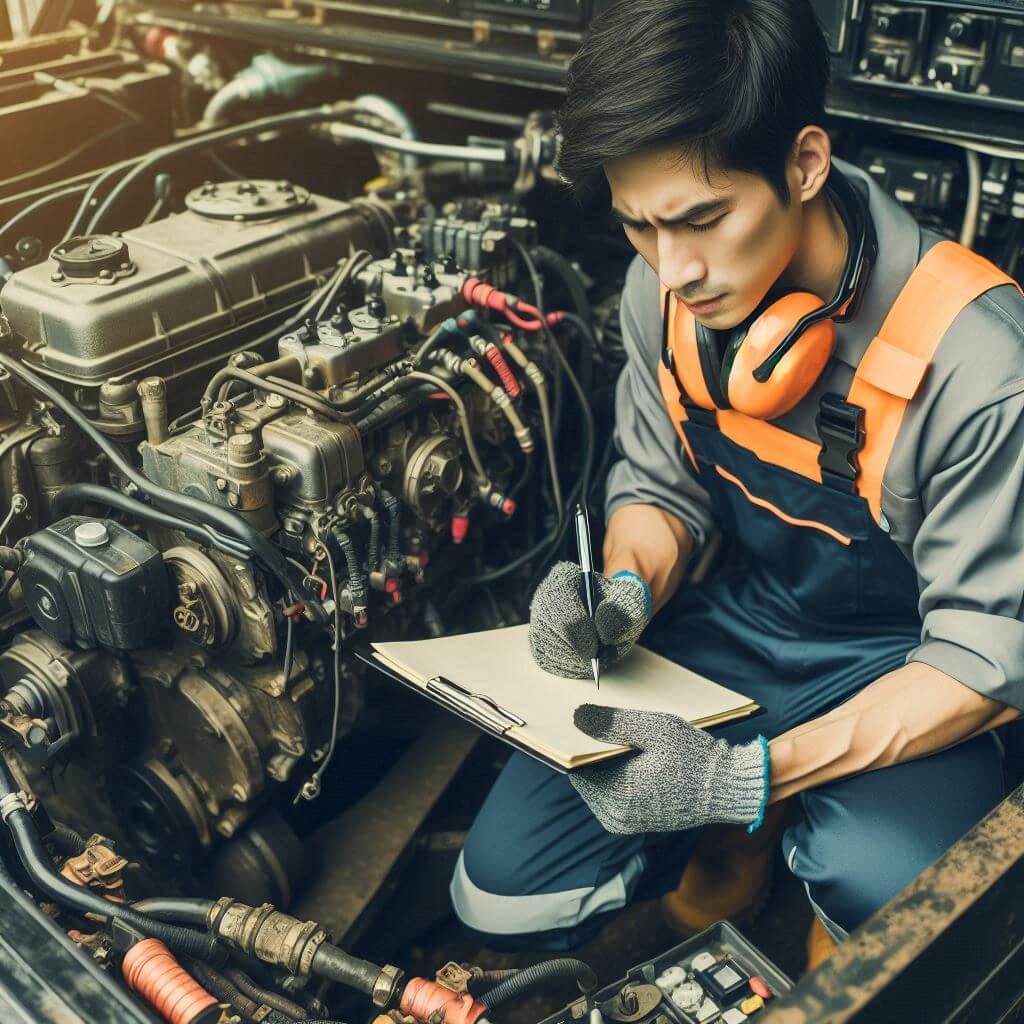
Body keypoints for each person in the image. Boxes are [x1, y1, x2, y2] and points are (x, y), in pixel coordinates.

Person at [450, 0, 1024, 960]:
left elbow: (987, 659)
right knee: (499, 894)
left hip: (914, 663)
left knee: (893, 895)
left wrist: (742, 779)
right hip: (754, 622)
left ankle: (809, 920)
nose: (673, 270)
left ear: (804, 164)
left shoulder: (981, 365)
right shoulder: (665, 292)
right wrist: (625, 587)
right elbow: (662, 487)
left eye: (703, 218)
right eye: (639, 227)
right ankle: (735, 866)